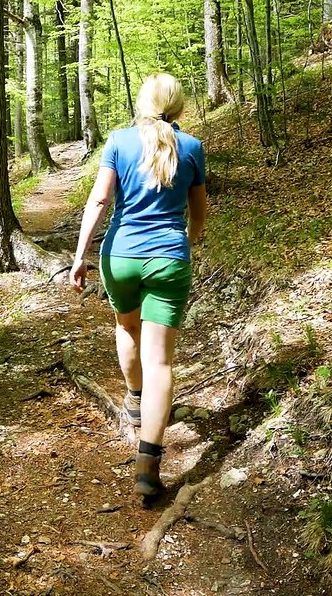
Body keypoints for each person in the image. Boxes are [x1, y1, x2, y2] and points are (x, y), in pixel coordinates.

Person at [69, 73, 207, 501]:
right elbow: (199, 214)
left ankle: (134, 398)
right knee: (161, 363)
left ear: (142, 103)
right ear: (179, 107)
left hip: (121, 256)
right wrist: (185, 242)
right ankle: (148, 465)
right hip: (169, 257)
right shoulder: (193, 147)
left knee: (126, 328)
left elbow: (99, 201)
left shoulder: (118, 141)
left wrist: (80, 255)